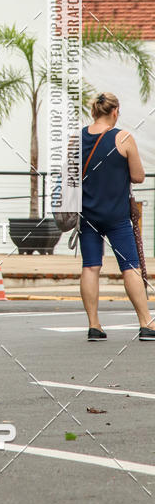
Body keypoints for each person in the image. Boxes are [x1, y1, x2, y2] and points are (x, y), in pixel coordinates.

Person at [80, 92, 155, 342]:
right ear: (115, 111)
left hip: (87, 214)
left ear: (94, 111)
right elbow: (138, 176)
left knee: (90, 267)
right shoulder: (123, 138)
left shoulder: (76, 139)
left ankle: (94, 325)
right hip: (116, 215)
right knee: (130, 266)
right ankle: (146, 323)